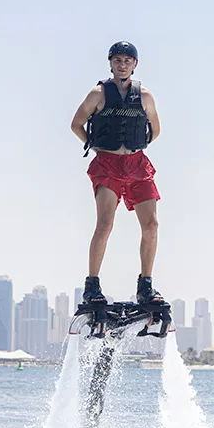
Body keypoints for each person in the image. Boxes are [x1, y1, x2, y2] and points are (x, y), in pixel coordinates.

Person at [70, 41, 163, 305]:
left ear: (135, 64)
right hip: (107, 164)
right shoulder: (97, 94)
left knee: (152, 224)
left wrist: (136, 147)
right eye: (117, 60)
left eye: (127, 60)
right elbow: (76, 124)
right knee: (105, 224)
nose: (122, 65)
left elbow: (155, 130)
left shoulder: (145, 96)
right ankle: (92, 285)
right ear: (110, 63)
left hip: (137, 165)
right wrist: (93, 142)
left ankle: (145, 286)